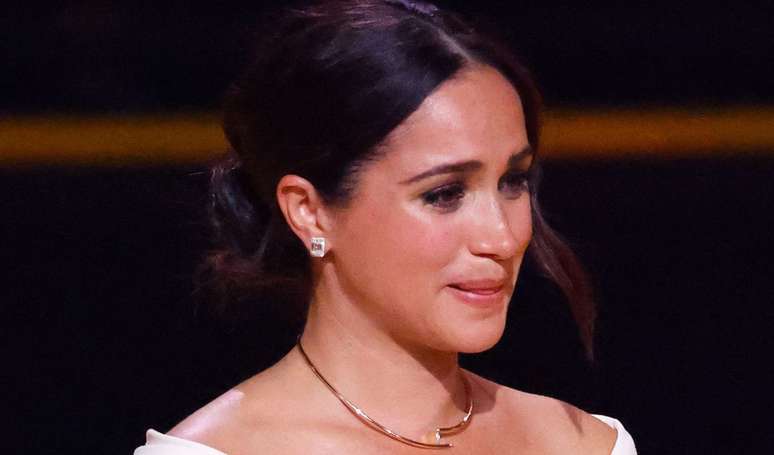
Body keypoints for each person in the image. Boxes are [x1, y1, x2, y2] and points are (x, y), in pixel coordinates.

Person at [135, 1, 637, 453]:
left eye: (513, 181)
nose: (503, 239)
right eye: (444, 194)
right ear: (309, 211)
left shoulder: (587, 445)